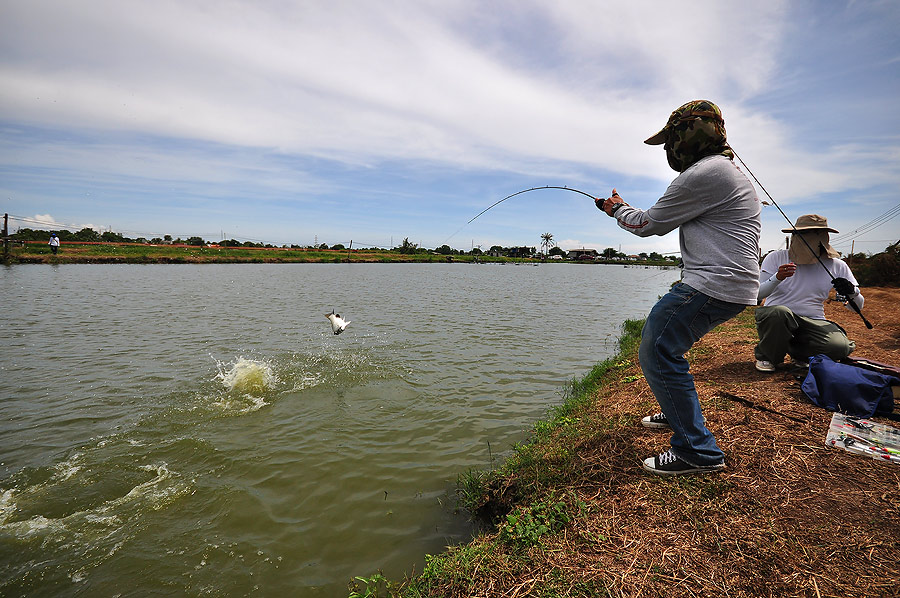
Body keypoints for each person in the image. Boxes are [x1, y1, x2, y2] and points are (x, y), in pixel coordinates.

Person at [597, 100, 761, 476]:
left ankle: (697, 451)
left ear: (689, 134)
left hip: (713, 284)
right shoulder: (725, 171)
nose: (669, 149)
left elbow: (645, 225)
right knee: (667, 350)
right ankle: (678, 415)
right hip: (728, 284)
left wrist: (615, 208)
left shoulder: (705, 174)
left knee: (657, 351)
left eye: (671, 138)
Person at [754, 214, 863, 372]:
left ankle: (800, 354)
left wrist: (852, 292)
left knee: (840, 347)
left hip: (814, 320)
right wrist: (777, 278)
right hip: (778, 318)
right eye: (801, 234)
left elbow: (857, 308)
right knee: (779, 313)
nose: (807, 239)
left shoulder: (838, 266)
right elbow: (757, 294)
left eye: (814, 233)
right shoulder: (776, 257)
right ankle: (767, 357)